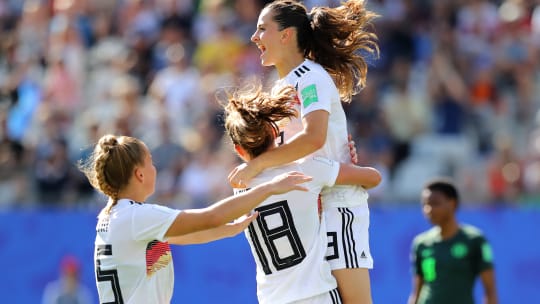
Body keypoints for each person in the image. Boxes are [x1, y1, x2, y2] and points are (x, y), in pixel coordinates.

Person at [228, 1, 379, 302]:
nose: (254, 37)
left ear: (286, 35)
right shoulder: (282, 85)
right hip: (310, 202)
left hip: (337, 201)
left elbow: (312, 138)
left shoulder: (309, 78)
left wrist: (257, 166)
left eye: (262, 29)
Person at [78, 134, 313, 304]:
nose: (155, 168)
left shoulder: (116, 216)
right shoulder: (136, 217)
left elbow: (183, 235)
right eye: (150, 161)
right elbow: (211, 216)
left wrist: (228, 230)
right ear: (139, 174)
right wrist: (269, 188)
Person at [222, 84, 381, 304]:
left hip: (272, 298)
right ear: (274, 132)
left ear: (238, 149)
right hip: (318, 295)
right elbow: (373, 178)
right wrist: (340, 159)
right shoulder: (307, 169)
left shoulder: (240, 186)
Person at [408, 178, 498, 304]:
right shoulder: (421, 243)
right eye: (425, 204)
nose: (428, 209)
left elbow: (490, 291)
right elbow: (416, 292)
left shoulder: (474, 240)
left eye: (435, 203)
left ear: (452, 203)